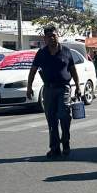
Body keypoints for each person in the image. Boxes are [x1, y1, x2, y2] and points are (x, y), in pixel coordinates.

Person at [26, 26, 81, 159]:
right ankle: (54, 148)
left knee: (64, 115)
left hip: (64, 89)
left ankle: (66, 142)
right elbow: (33, 70)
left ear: (58, 36)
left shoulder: (66, 51)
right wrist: (29, 87)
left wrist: (78, 86)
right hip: (48, 90)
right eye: (49, 36)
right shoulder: (41, 53)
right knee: (51, 120)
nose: (52, 38)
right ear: (44, 39)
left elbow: (73, 70)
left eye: (54, 35)